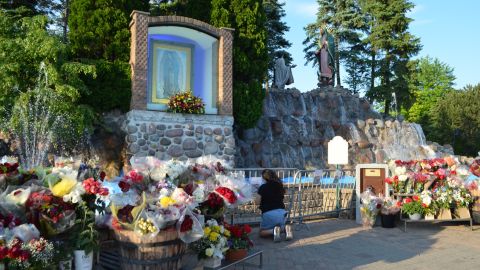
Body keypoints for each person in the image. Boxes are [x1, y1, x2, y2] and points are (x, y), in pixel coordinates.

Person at [257, 169, 293, 241]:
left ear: (264, 178)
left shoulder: (263, 187)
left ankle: (273, 231)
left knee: (261, 232)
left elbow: (257, 202)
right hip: (282, 213)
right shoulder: (280, 185)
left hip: (268, 213)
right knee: (278, 225)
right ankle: (285, 229)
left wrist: (257, 191)